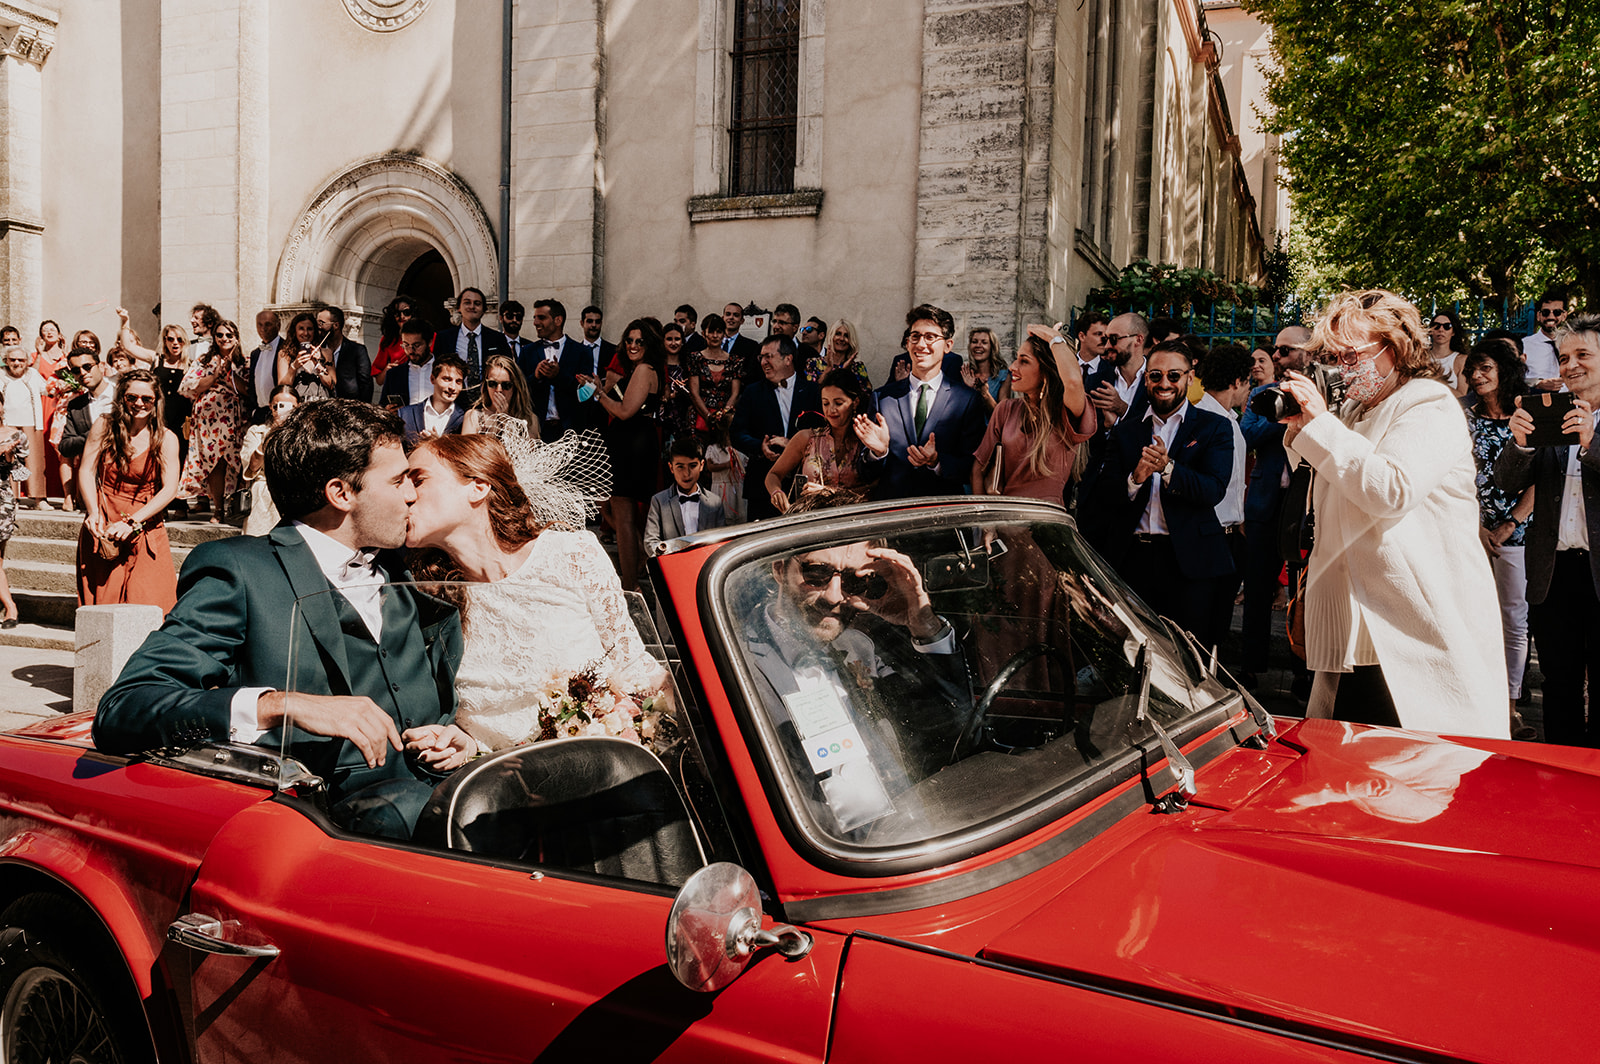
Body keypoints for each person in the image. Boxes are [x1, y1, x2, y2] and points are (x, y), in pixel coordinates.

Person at [97, 400, 464, 838]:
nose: (411, 494)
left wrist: (453, 737)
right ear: (341, 493)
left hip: (448, 811)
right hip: (320, 832)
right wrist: (282, 704)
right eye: (399, 479)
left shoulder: (400, 573)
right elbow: (124, 709)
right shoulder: (241, 570)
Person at [1277, 289, 1505, 738]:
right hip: (1357, 630)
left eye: (1351, 355)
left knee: (1412, 779)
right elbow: (1330, 493)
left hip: (1411, 630)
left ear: (1395, 348)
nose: (1341, 368)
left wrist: (1322, 426)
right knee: (1347, 776)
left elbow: (1390, 491)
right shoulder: (1355, 410)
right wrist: (1304, 428)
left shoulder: (1429, 404)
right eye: (1333, 357)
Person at [402, 429, 664, 758]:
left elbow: (634, 668)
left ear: (478, 486)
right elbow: (472, 726)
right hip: (499, 783)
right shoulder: (422, 598)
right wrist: (465, 744)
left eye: (418, 479)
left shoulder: (572, 555)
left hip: (602, 766)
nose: (406, 495)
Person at [738, 537, 971, 837]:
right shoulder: (734, 662)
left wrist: (922, 623)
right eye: (818, 574)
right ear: (780, 568)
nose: (835, 596)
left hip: (916, 839)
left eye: (852, 580)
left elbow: (952, 727)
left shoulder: (859, 648)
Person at [1084, 341, 1235, 647]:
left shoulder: (1214, 427)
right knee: (1134, 650)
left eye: (1173, 375)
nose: (1164, 383)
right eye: (1155, 376)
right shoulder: (1127, 430)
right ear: (1146, 380)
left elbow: (1213, 489)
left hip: (1189, 562)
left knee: (1188, 655)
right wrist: (1134, 479)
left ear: (1189, 378)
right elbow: (1104, 493)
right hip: (1133, 559)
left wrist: (1167, 469)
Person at [1496, 311, 1600, 746]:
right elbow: (1505, 482)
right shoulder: (1548, 414)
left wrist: (1591, 445)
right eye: (1562, 357)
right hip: (1553, 572)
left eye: (1582, 355)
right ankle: (1561, 775)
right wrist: (1520, 443)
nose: (1570, 365)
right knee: (1557, 683)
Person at [1460, 339, 1536, 738]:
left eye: (1485, 367)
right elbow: (1455, 473)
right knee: (1469, 616)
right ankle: (1472, 701)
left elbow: (1546, 474)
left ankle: (1508, 705)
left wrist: (1510, 523)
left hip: (1517, 531)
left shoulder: (1527, 414)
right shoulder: (1464, 417)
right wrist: (1475, 525)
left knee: (1512, 618)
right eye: (1472, 369)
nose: (1477, 376)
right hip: (1468, 528)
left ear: (1505, 369)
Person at [76, 368, 181, 610]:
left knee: (151, 604)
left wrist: (133, 522)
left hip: (144, 522)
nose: (139, 403)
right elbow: (86, 470)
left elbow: (169, 489)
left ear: (156, 401)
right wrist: (92, 511)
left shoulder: (166, 438)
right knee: (104, 606)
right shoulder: (105, 425)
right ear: (122, 397)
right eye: (131, 397)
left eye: (147, 399)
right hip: (104, 520)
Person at [859, 304, 987, 500]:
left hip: (941, 514)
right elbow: (864, 473)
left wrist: (937, 462)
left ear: (948, 346)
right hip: (892, 515)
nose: (920, 344)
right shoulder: (883, 399)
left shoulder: (966, 400)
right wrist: (878, 453)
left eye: (930, 337)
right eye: (915, 336)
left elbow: (971, 466)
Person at [971, 328, 1094, 501]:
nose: (1013, 367)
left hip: (1047, 522)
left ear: (1046, 371)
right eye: (1016, 358)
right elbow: (978, 469)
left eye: (1024, 361)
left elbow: (1073, 382)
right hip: (1004, 520)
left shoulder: (1065, 413)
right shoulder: (1005, 410)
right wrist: (985, 524)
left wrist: (1054, 338)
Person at [587, 318, 665, 590]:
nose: (632, 345)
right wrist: (603, 387)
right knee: (620, 515)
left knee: (624, 517)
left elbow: (623, 411)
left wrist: (598, 394)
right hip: (631, 442)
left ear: (649, 345)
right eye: (629, 340)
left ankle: (630, 584)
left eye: (639, 341)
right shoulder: (640, 369)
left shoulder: (644, 369)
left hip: (633, 445)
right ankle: (632, 579)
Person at [1195, 343, 1253, 648]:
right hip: (1209, 535)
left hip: (1231, 535)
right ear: (1236, 382)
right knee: (1204, 624)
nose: (1248, 391)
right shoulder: (1202, 418)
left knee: (1219, 622)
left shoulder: (1231, 419)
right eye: (1248, 382)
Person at [765, 369, 882, 512]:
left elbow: (877, 487)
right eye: (825, 403)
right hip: (810, 524)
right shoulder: (807, 438)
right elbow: (773, 475)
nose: (831, 410)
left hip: (855, 523)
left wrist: (829, 492)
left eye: (838, 403)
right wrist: (776, 492)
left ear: (855, 402)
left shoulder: (865, 441)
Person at [732, 335, 821, 519]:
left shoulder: (813, 392)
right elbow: (737, 433)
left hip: (803, 488)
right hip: (762, 486)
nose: (763, 362)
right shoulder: (752, 392)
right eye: (761, 357)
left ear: (788, 359)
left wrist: (795, 445)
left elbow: (823, 433)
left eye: (768, 356)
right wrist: (759, 446)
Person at [177, 318, 245, 523]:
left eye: (229, 335)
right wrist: (215, 376)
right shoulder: (203, 361)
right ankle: (218, 510)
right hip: (209, 421)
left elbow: (249, 390)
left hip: (235, 418)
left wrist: (231, 374)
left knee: (236, 462)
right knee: (215, 464)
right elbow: (188, 387)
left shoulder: (246, 361)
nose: (224, 338)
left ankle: (237, 506)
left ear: (236, 338)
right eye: (220, 335)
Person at [524, 298, 593, 440]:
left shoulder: (581, 352)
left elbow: (586, 394)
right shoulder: (527, 351)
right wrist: (536, 376)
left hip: (570, 431)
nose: (535, 323)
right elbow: (519, 390)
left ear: (558, 320)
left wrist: (558, 376)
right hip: (536, 431)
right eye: (535, 318)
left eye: (541, 318)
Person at [645, 434, 726, 555]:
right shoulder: (659, 501)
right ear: (671, 468)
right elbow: (650, 541)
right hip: (673, 566)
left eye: (692, 466)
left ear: (702, 465)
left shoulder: (715, 501)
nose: (686, 473)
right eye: (680, 467)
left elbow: (721, 539)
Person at [54, 347, 111, 518]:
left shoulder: (125, 396)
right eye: (76, 370)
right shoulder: (76, 405)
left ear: (100, 366)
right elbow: (65, 446)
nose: (83, 373)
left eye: (87, 367)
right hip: (93, 488)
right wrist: (95, 434)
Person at [238, 386, 298, 536]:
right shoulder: (257, 432)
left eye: (290, 407)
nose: (283, 411)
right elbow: (252, 467)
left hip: (294, 495)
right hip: (263, 495)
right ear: (271, 406)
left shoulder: (304, 434)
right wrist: (269, 436)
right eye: (278, 406)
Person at [433, 286, 511, 394]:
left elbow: (508, 370)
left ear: (484, 310)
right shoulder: (444, 338)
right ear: (459, 307)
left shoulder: (497, 339)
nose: (472, 306)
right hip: (453, 399)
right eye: (467, 302)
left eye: (477, 303)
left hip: (488, 398)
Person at [0, 346, 47, 509]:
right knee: (8, 461)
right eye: (13, 359)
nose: (17, 363)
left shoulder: (33, 374)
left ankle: (39, 499)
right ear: (6, 360)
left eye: (21, 360)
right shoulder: (0, 374)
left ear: (27, 361)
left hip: (31, 421)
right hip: (7, 423)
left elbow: (47, 389)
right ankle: (12, 498)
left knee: (34, 461)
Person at [462, 354, 538, 439]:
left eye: (506, 385)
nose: (498, 390)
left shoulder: (529, 419)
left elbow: (527, 450)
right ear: (486, 385)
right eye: (492, 384)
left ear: (516, 387)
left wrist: (505, 419)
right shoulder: (474, 417)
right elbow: (467, 451)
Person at [690, 313, 741, 436]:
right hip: (700, 416)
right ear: (703, 333)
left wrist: (722, 416)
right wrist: (708, 416)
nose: (715, 336)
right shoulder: (695, 358)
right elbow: (694, 392)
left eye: (718, 332)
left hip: (726, 419)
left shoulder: (734, 360)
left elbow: (735, 393)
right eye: (711, 331)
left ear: (724, 334)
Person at [0, 398, 27, 626]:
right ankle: (9, 605)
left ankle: (10, 607)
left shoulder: (14, 434)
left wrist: (9, 455)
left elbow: (20, 471)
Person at [399, 355, 467, 443]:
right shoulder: (405, 414)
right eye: (447, 379)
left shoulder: (465, 419)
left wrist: (437, 444)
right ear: (432, 379)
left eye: (458, 381)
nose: (453, 387)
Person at [314, 305, 373, 403]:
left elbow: (366, 383)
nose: (318, 327)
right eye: (317, 323)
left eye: (322, 323)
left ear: (336, 325)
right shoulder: (317, 349)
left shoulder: (357, 350)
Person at [278, 310, 334, 402]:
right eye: (301, 328)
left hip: (321, 405)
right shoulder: (285, 354)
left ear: (314, 331)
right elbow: (282, 387)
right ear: (294, 331)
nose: (305, 333)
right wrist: (294, 367)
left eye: (309, 329)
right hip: (297, 405)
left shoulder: (326, 353)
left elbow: (331, 385)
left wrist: (318, 364)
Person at [380, 319, 438, 408]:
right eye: (406, 345)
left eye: (417, 345)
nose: (411, 351)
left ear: (429, 342)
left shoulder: (444, 370)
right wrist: (388, 411)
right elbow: (382, 406)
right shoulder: (394, 374)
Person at [803, 318, 872, 391]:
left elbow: (866, 396)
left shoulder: (858, 368)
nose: (842, 338)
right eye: (838, 334)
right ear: (831, 337)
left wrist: (846, 373)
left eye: (846, 335)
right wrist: (828, 369)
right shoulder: (813, 364)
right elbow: (810, 392)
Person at [1522, 289, 1566, 391]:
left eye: (1557, 312)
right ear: (1538, 316)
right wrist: (1537, 383)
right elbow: (1513, 378)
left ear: (1564, 316)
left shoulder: (1572, 344)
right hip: (1537, 402)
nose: (1551, 317)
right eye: (1545, 312)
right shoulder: (1524, 345)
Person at [245, 309, 283, 422]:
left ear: (278, 326)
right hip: (260, 412)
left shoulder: (286, 348)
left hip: (279, 411)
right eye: (259, 325)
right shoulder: (255, 353)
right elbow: (252, 384)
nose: (263, 329)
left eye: (268, 324)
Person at [961, 327, 1010, 412]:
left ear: (992, 347)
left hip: (990, 425)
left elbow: (1002, 414)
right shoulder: (965, 373)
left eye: (984, 342)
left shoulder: (1004, 375)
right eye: (974, 342)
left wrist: (985, 394)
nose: (978, 345)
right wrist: (967, 389)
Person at [369, 295, 418, 379]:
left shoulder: (429, 336)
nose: (402, 316)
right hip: (398, 387)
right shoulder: (388, 340)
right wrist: (387, 371)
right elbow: (379, 380)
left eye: (406, 312)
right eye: (397, 313)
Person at [1424, 308, 1469, 395]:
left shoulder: (1461, 360)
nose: (1441, 329)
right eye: (1436, 325)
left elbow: (1462, 396)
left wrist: (1436, 381)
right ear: (1431, 331)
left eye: (1447, 326)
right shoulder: (1420, 356)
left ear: (1453, 332)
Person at [723, 302, 763, 384]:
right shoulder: (711, 343)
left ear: (742, 321)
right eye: (728, 314)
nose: (731, 317)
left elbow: (752, 375)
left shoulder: (752, 346)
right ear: (723, 318)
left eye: (736, 315)